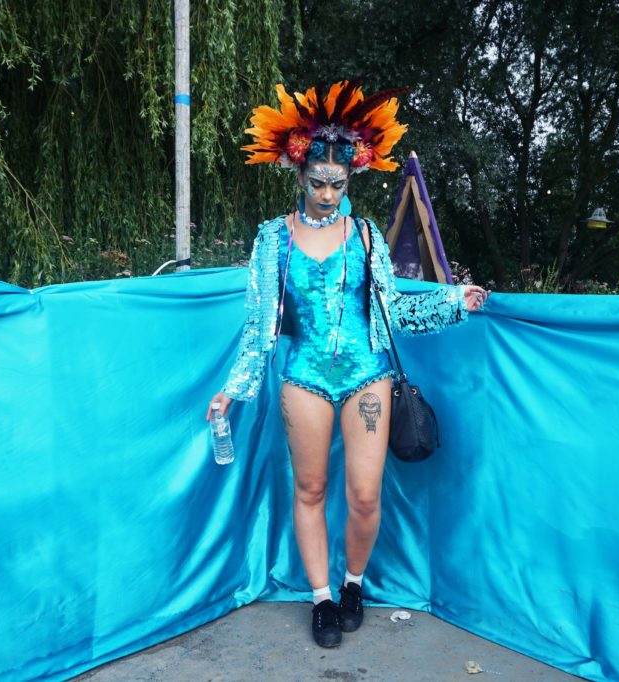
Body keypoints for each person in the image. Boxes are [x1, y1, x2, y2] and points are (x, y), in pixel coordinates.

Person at [205, 81, 488, 648]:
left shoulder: (363, 235)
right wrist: (232, 391)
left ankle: (354, 584)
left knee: (364, 494)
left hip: (367, 377)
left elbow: (393, 311)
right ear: (298, 173)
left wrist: (454, 301)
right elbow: (260, 327)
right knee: (309, 490)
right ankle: (321, 598)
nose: (329, 194)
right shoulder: (272, 240)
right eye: (318, 183)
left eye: (339, 183)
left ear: (351, 177)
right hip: (304, 377)